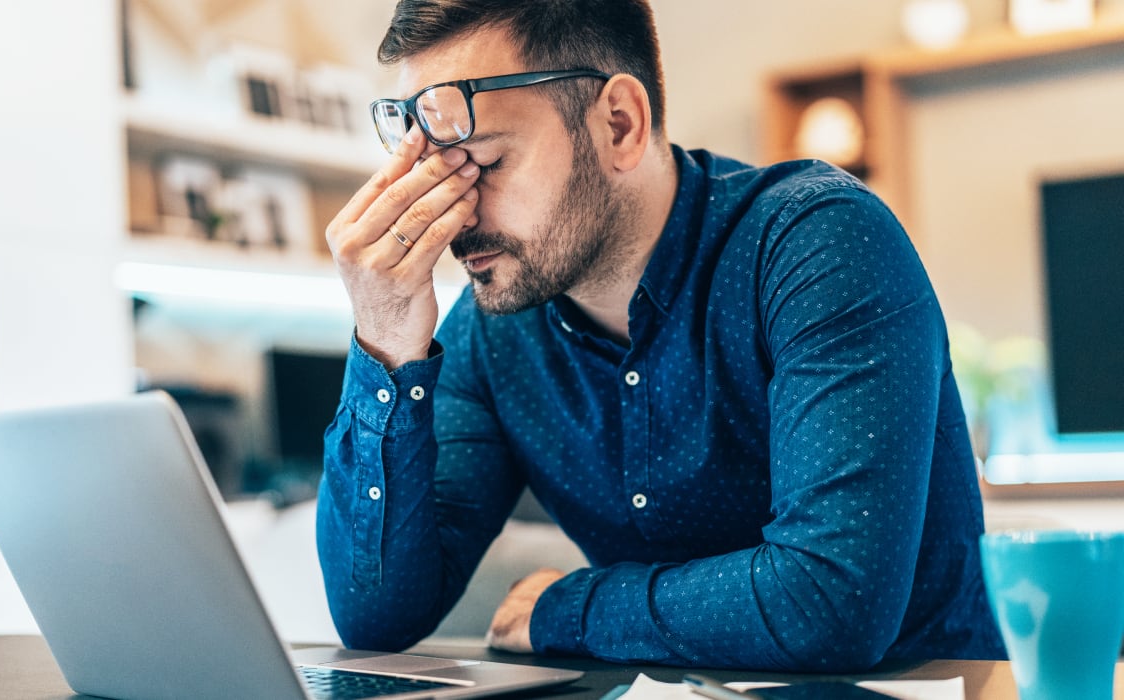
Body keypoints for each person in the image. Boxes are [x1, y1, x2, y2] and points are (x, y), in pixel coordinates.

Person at [317, 0, 1006, 671]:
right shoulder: (495, 334)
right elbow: (377, 619)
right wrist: (385, 344)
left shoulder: (819, 244)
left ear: (619, 123)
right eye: (435, 173)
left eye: (486, 165)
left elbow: (829, 602)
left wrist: (573, 608)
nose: (457, 216)